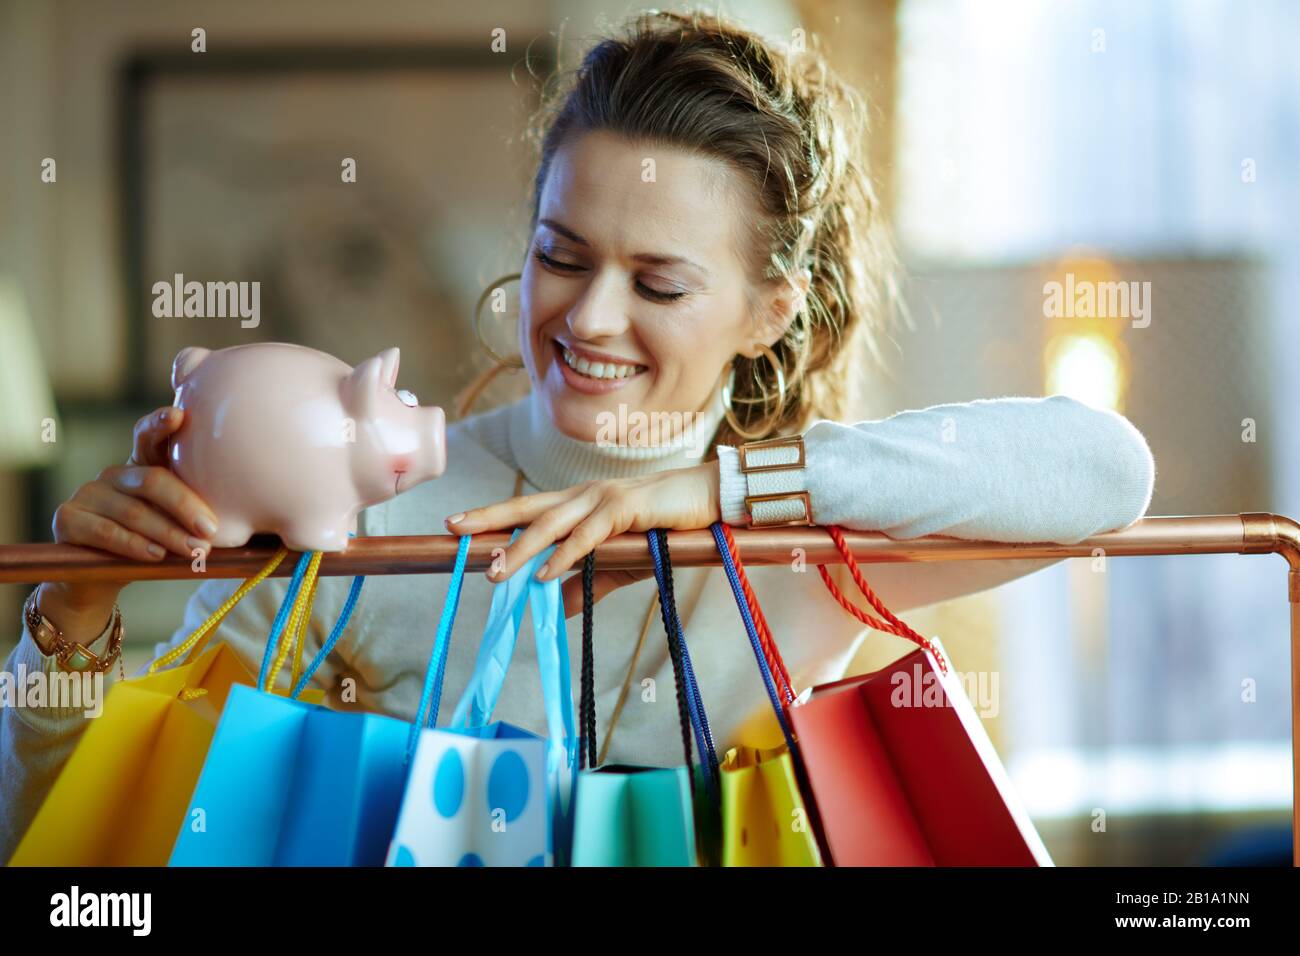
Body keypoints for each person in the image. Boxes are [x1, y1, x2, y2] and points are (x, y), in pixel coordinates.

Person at [1, 10, 1154, 861]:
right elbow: (67, 846)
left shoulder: (792, 546)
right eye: (562, 255)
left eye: (659, 281)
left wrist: (710, 491)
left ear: (769, 312)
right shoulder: (356, 502)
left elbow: (1108, 469)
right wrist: (70, 625)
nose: (589, 318)